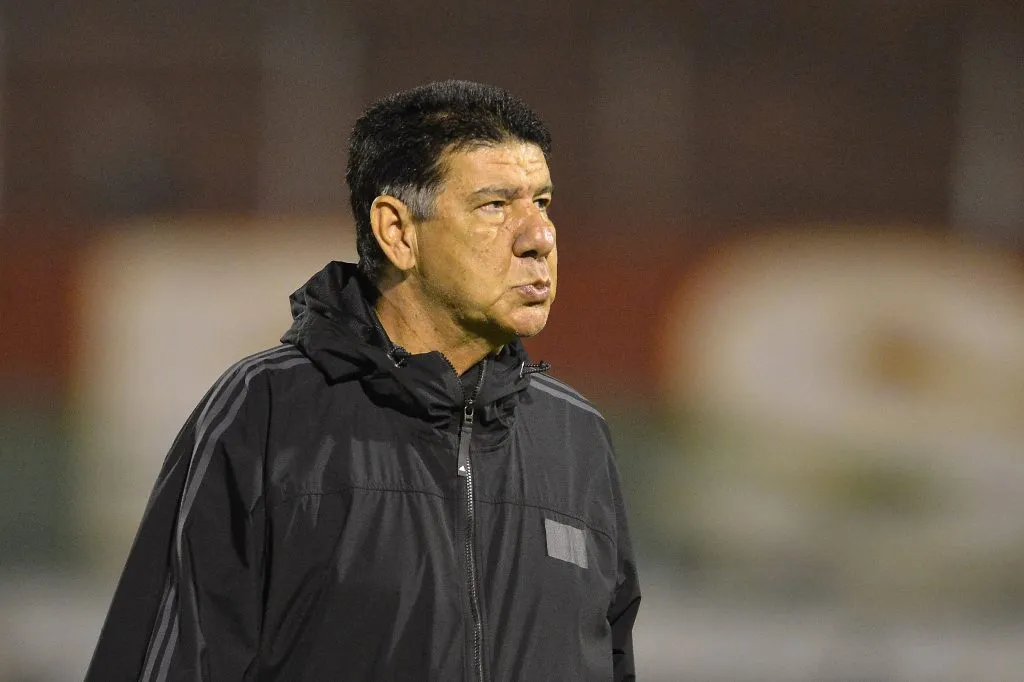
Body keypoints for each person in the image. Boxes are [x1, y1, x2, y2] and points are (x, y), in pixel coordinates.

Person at [86, 79, 641, 681]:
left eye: (543, 202)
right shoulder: (264, 412)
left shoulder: (576, 435)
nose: (540, 237)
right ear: (398, 232)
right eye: (495, 205)